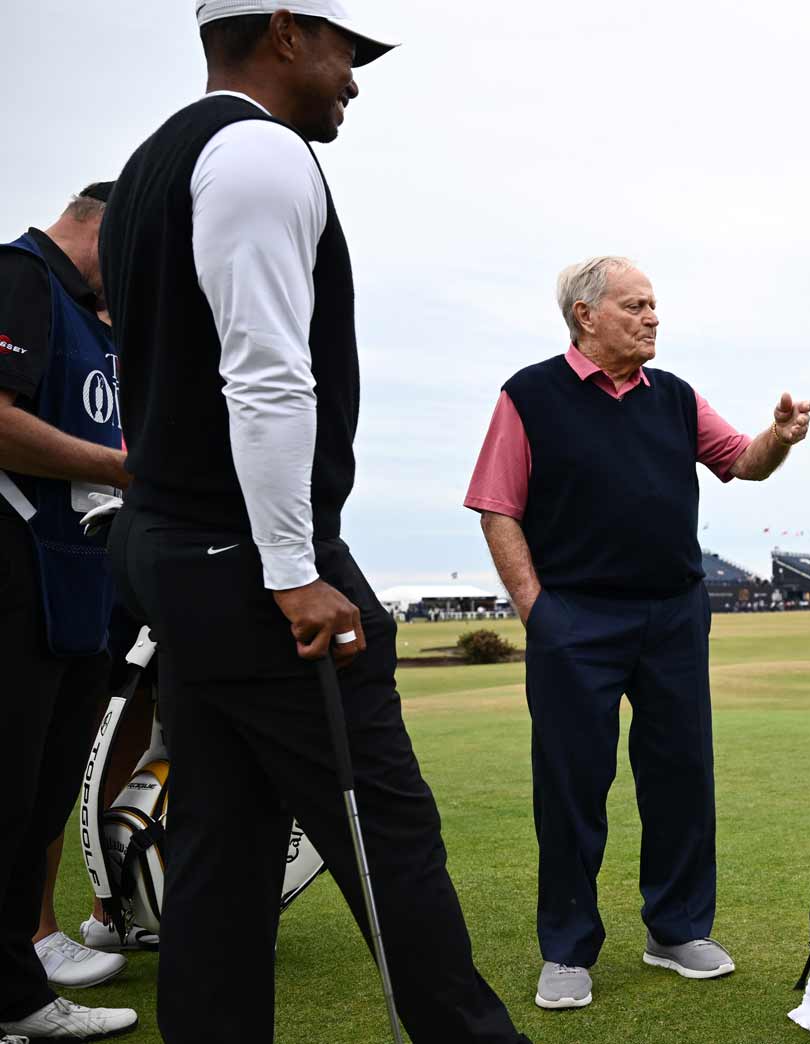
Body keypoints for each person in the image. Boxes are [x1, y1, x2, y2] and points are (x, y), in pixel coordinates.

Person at [100, 5, 530, 1040]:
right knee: (386, 834)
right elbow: (265, 375)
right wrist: (293, 567)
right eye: (345, 51)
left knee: (222, 839)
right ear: (287, 32)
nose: (352, 78)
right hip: (252, 561)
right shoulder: (258, 153)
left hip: (179, 547)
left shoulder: (154, 161)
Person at [466, 256, 810, 1010]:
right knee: (571, 786)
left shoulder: (676, 397)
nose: (654, 317)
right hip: (575, 621)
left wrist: (780, 435)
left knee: (681, 777)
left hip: (672, 617)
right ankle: (566, 949)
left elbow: (744, 462)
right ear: (586, 315)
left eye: (655, 305)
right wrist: (538, 613)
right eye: (636, 305)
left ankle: (677, 929)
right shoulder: (529, 395)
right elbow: (498, 507)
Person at [0, 184, 141, 1040]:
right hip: (18, 578)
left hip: (76, 585)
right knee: (11, 793)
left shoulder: (89, 314)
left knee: (38, 796)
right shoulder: (18, 276)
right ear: (104, 225)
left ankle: (17, 989)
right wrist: (124, 466)